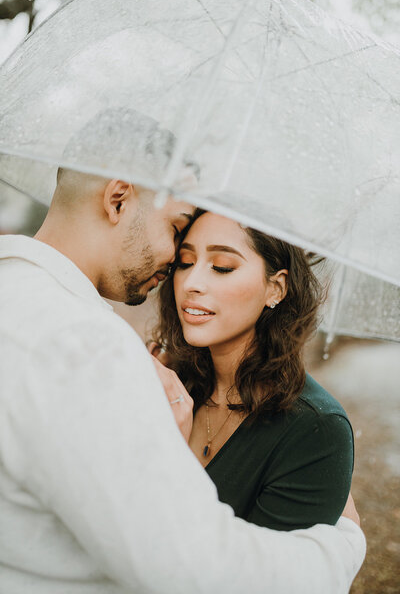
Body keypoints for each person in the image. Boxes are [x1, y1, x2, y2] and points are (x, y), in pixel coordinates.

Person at [0, 113, 366, 593]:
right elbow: (192, 570)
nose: (180, 268)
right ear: (117, 199)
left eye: (222, 265)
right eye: (178, 231)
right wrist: (340, 546)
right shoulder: (90, 347)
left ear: (276, 286)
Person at [153, 209, 354, 531]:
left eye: (222, 267)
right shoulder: (165, 384)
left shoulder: (316, 430)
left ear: (276, 288)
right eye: (185, 263)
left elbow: (265, 576)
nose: (191, 282)